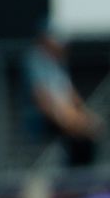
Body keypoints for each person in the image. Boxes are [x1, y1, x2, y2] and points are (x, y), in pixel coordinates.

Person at [24, 22, 103, 169]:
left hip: (63, 116)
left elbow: (70, 93)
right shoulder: (35, 61)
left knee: (89, 134)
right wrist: (67, 120)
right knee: (79, 137)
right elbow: (42, 98)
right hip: (47, 119)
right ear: (45, 40)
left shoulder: (58, 63)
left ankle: (83, 182)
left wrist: (85, 115)